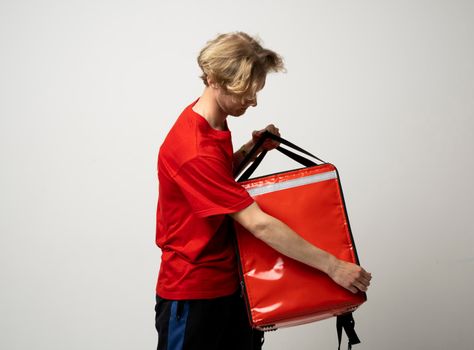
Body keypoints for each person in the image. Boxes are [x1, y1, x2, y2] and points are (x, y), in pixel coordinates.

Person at [154, 32, 372, 350]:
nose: (253, 101)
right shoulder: (193, 147)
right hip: (193, 294)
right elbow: (259, 223)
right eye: (245, 92)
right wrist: (333, 266)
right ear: (214, 80)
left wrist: (249, 151)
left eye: (255, 91)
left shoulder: (213, 124)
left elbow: (216, 183)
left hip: (229, 285)